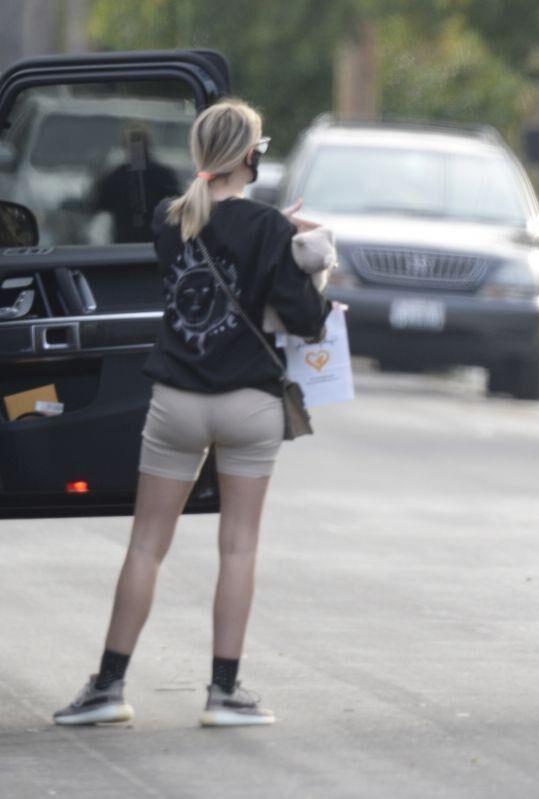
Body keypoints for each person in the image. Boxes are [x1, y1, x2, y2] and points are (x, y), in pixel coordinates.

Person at [53, 100, 329, 727]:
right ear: (252, 156)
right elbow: (307, 322)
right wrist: (307, 254)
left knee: (146, 547)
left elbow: (204, 231)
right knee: (238, 549)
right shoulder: (271, 229)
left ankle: (107, 687)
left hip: (176, 401)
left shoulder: (166, 219)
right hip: (250, 404)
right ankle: (225, 694)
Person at [91, 125, 182, 243]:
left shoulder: (117, 175)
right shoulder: (162, 175)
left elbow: (97, 204)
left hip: (126, 244)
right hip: (152, 243)